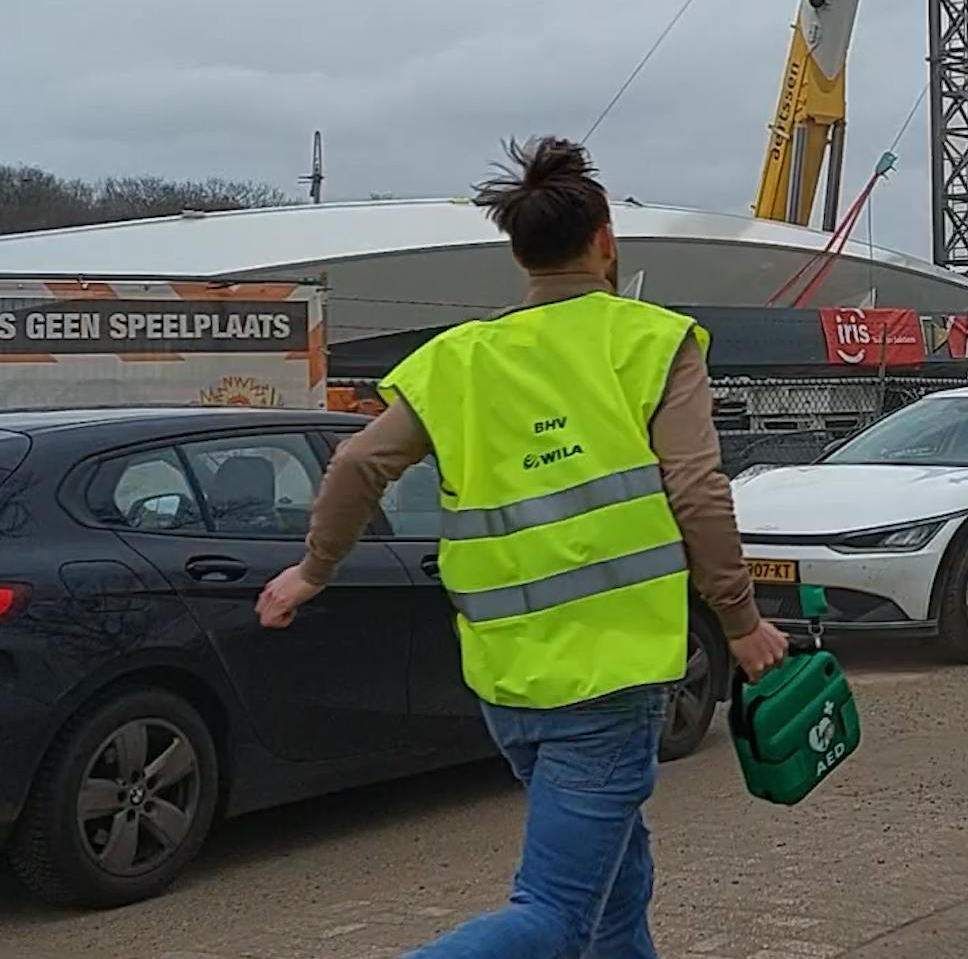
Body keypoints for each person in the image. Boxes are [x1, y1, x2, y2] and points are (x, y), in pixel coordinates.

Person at [256, 136, 790, 958]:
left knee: (618, 879)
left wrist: (311, 571)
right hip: (610, 676)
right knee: (552, 914)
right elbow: (697, 488)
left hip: (507, 680)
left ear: (519, 255)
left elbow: (359, 462)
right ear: (607, 242)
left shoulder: (457, 360)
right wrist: (742, 621)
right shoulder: (650, 340)